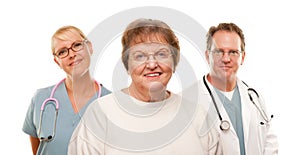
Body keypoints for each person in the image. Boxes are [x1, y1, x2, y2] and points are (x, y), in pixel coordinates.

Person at [68, 18, 221, 155]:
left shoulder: (198, 116)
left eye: (162, 54)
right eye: (140, 56)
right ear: (127, 65)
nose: (152, 64)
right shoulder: (100, 115)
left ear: (174, 63)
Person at [22, 25, 111, 155]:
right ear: (57, 61)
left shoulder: (112, 103)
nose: (72, 54)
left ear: (90, 47)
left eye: (77, 45)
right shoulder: (41, 99)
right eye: (62, 52)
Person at [195, 22, 278, 154]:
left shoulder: (254, 97)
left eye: (233, 52)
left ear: (242, 57)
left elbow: (270, 141)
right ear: (207, 56)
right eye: (218, 52)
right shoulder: (190, 100)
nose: (226, 59)